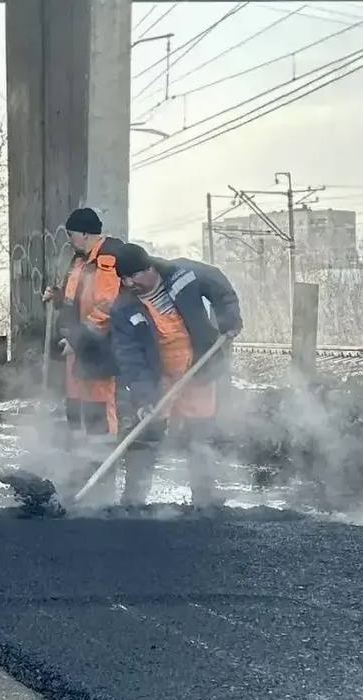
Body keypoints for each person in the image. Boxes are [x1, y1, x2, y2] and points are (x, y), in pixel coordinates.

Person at [109, 243, 242, 510]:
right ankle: (134, 501)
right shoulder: (124, 308)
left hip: (199, 368)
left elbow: (219, 286)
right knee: (146, 434)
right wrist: (144, 397)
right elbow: (130, 357)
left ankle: (205, 498)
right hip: (159, 377)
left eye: (133, 275)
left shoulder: (183, 274)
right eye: (123, 278)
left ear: (148, 268)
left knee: (200, 434)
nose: (128, 283)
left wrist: (229, 318)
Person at [42, 207, 123, 449]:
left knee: (97, 402)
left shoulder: (107, 259)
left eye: (71, 234)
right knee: (76, 402)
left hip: (97, 346)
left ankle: (101, 458)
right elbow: (76, 299)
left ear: (85, 234)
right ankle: (78, 455)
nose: (69, 239)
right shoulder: (80, 260)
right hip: (75, 344)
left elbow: (105, 309)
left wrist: (77, 340)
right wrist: (57, 297)